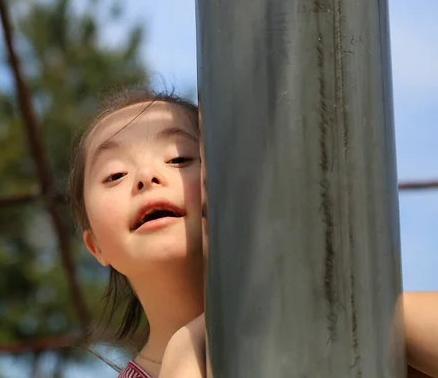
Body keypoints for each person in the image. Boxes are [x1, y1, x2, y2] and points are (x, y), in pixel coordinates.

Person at [67, 87, 438, 378]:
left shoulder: (364, 316)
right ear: (95, 246)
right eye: (115, 175)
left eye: (179, 158)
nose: (147, 179)